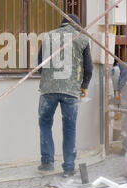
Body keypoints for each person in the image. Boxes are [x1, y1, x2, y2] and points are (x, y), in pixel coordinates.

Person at [36, 13, 93, 177]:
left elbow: (40, 64)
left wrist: (49, 77)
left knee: (45, 123)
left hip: (48, 89)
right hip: (70, 91)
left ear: (61, 23)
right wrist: (84, 86)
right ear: (77, 25)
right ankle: (68, 167)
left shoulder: (49, 37)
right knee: (69, 128)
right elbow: (88, 69)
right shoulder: (81, 39)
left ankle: (47, 162)